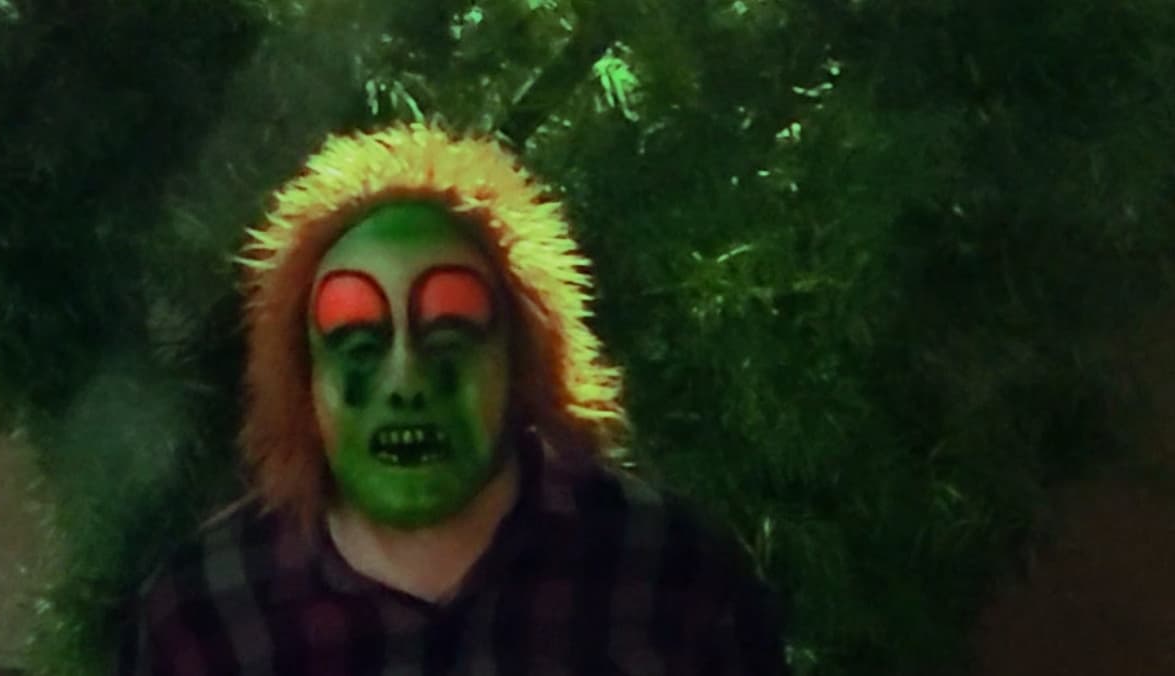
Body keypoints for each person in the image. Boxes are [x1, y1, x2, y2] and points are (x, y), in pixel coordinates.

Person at [118, 122, 787, 675]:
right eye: (358, 343)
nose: (406, 380)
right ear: (303, 378)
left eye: (450, 335)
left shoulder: (673, 576)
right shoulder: (202, 614)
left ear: (521, 360)